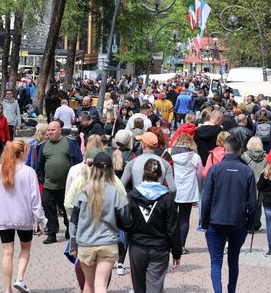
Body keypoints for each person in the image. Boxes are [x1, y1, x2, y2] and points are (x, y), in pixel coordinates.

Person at [201, 136, 257, 293]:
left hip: (215, 221)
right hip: (238, 222)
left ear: (225, 149)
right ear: (240, 150)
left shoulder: (215, 169)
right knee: (234, 260)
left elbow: (206, 199)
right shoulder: (247, 171)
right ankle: (231, 290)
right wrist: (251, 224)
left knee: (216, 262)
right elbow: (252, 203)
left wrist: (204, 223)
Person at [69, 152, 130, 293]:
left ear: (93, 168)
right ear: (110, 170)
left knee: (88, 285)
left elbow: (74, 221)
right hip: (108, 243)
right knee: (101, 285)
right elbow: (126, 220)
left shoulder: (83, 191)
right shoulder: (116, 192)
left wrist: (73, 243)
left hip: (86, 243)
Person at [0, 141, 45, 293]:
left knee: (7, 252)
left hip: (3, 216)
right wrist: (40, 219)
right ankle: (19, 278)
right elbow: (35, 199)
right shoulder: (28, 172)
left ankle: (7, 289)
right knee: (25, 248)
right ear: (23, 153)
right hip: (24, 217)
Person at [125, 159, 181, 293]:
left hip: (137, 247)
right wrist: (177, 252)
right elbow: (172, 228)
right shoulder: (167, 198)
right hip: (159, 248)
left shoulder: (132, 196)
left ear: (143, 174)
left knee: (139, 288)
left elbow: (126, 222)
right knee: (155, 287)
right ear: (160, 175)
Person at [37, 121, 82, 244]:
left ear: (60, 130)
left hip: (66, 187)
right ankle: (52, 234)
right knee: (49, 210)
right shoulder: (43, 146)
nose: (50, 132)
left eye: (53, 130)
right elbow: (39, 165)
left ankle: (69, 228)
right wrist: (42, 178)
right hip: (49, 185)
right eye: (49, 130)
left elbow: (78, 161)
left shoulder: (70, 143)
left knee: (67, 209)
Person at [171, 133, 203, 254]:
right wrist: (199, 190)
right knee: (184, 218)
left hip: (173, 188)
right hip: (188, 190)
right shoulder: (195, 157)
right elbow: (200, 174)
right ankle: (181, 245)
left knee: (171, 219)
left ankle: (170, 243)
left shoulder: (171, 155)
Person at [257, 151, 271, 256]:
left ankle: (270, 249)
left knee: (269, 226)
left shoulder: (265, 173)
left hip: (268, 203)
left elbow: (259, 187)